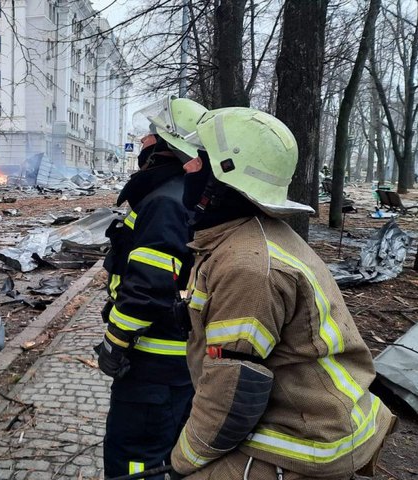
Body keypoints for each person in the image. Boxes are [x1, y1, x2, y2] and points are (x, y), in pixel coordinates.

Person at [168, 107, 396, 479]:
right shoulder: (242, 239)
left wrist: (183, 461)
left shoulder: (247, 265)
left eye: (200, 160)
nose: (187, 168)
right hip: (314, 418)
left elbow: (234, 390)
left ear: (222, 178)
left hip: (306, 439)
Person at [96, 97, 207, 479]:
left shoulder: (164, 202)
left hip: (153, 362)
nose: (143, 141)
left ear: (168, 147)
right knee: (163, 450)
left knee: (134, 455)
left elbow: (148, 287)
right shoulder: (178, 195)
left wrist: (116, 340)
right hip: (170, 361)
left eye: (151, 135)